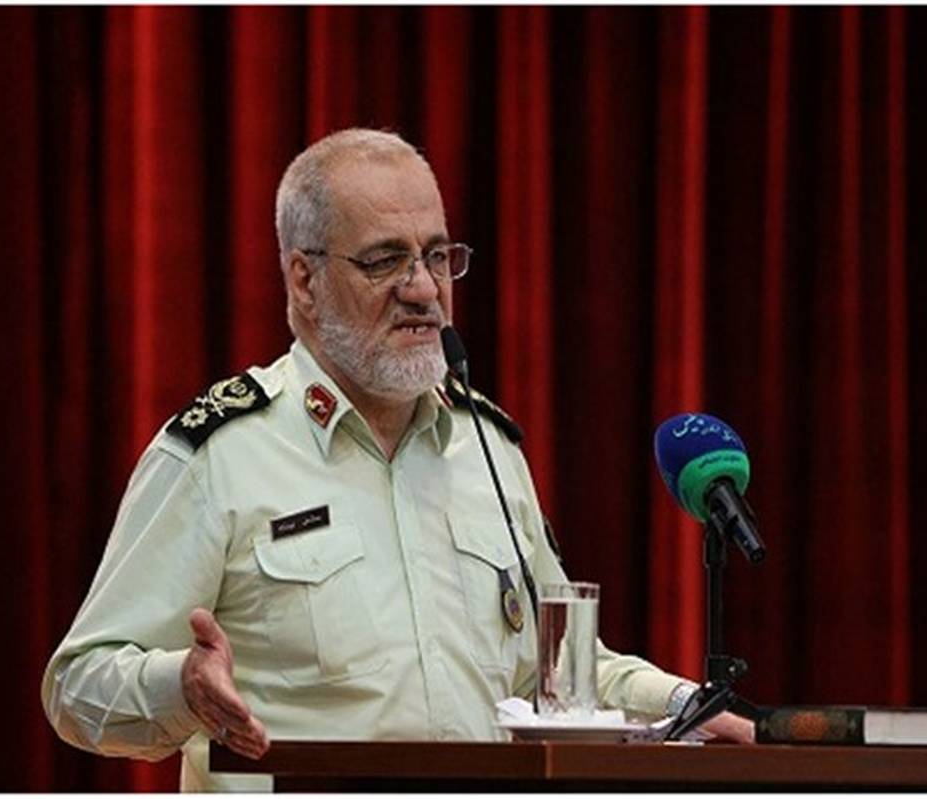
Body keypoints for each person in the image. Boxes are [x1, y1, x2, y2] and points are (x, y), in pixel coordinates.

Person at [42, 128, 753, 791]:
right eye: (385, 260)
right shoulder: (221, 454)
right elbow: (79, 684)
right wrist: (180, 687)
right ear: (304, 280)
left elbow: (562, 676)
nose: (423, 289)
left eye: (438, 257)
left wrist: (686, 705)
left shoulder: (489, 449)